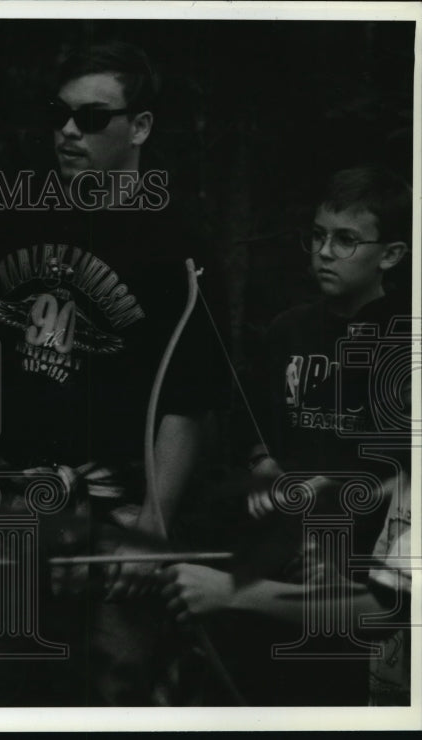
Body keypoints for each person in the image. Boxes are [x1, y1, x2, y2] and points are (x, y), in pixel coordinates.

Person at [0, 40, 223, 705]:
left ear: (141, 126)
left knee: (113, 698)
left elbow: (191, 399)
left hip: (115, 515)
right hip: (9, 504)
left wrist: (153, 525)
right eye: (60, 114)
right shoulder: (7, 220)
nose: (69, 131)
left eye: (93, 117)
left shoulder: (175, 245)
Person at [162, 165, 412, 705]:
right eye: (318, 235)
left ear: (391, 254)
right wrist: (264, 467)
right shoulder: (288, 330)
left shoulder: (404, 343)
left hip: (356, 565)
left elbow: (391, 466)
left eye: (346, 240)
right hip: (277, 548)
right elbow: (253, 428)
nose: (324, 251)